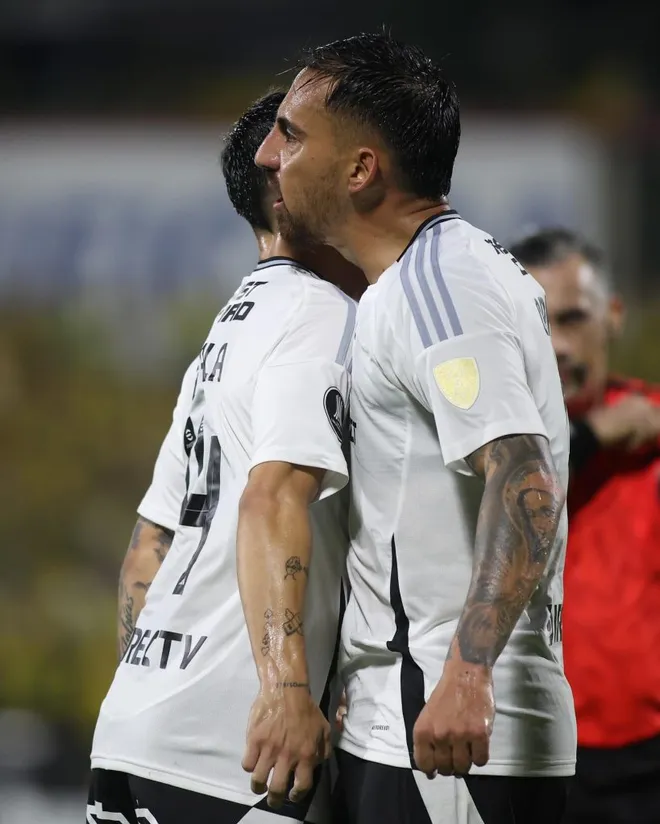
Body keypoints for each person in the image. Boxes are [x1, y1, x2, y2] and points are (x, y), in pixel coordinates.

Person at [256, 32, 576, 824]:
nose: (268, 154)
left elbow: (524, 475)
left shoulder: (436, 287)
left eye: (292, 134)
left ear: (363, 169)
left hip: (442, 729)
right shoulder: (434, 278)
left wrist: (465, 675)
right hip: (422, 720)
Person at [87, 90, 364, 824]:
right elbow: (270, 498)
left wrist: (149, 699)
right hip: (234, 755)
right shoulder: (320, 318)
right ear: (284, 190)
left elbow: (149, 546)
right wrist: (286, 692)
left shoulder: (225, 334)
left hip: (133, 729)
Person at [510, 228, 660, 824]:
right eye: (541, 325)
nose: (560, 347)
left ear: (613, 316)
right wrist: (594, 439)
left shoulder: (651, 432)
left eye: (573, 319)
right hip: (525, 755)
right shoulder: (478, 454)